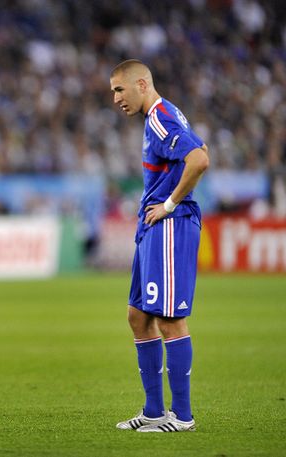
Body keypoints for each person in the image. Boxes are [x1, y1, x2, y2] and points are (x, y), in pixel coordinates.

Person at [109, 60, 209, 432]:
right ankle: (153, 412)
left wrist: (168, 205)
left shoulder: (159, 118)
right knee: (138, 316)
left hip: (169, 224)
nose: (116, 98)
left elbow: (200, 158)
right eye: (113, 91)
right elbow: (201, 145)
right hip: (152, 226)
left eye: (120, 89)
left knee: (168, 319)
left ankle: (182, 417)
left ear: (141, 83)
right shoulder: (167, 113)